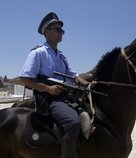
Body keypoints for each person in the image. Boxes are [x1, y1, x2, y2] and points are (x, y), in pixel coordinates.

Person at [20, 12, 89, 158]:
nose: (61, 33)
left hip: (65, 96)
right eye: (58, 30)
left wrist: (83, 80)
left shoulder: (61, 56)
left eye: (62, 30)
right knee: (73, 123)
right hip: (49, 98)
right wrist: (48, 88)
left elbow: (73, 75)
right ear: (47, 31)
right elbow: (25, 78)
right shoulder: (38, 53)